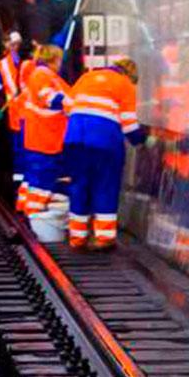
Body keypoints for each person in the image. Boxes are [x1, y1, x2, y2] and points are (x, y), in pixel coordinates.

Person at [57, 55, 142, 250]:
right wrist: (142, 139)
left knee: (79, 185)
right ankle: (103, 239)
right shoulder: (124, 85)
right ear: (130, 75)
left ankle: (77, 238)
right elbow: (129, 125)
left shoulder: (87, 77)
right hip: (105, 143)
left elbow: (67, 106)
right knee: (105, 185)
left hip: (75, 140)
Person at [19, 43, 71, 215]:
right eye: (60, 59)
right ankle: (35, 216)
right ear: (54, 59)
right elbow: (51, 98)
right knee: (41, 181)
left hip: (45, 137)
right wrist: (77, 104)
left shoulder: (45, 75)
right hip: (44, 138)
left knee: (36, 180)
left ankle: (28, 210)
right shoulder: (42, 76)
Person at [0, 32, 24, 204]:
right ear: (7, 45)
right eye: (13, 44)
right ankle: (19, 195)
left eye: (18, 44)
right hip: (16, 118)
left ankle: (28, 196)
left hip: (33, 118)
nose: (16, 47)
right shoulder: (2, 67)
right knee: (19, 158)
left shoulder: (28, 63)